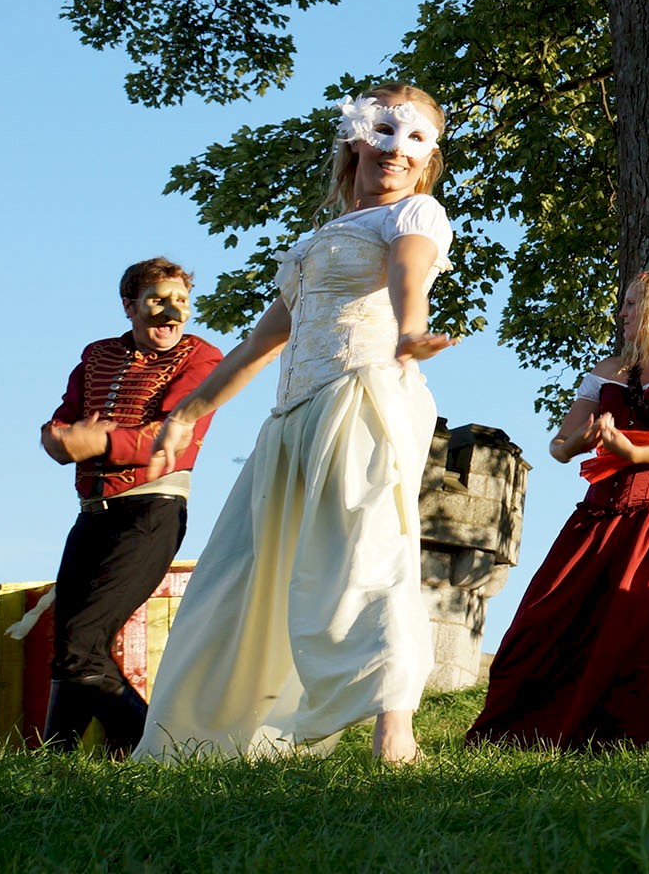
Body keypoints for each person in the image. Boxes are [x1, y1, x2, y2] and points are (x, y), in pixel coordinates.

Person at [134, 84, 457, 763]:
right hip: (291, 416)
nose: (395, 152)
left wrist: (412, 330)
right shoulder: (317, 240)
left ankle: (393, 734)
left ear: (426, 159)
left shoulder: (416, 216)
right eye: (383, 133)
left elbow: (410, 274)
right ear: (355, 141)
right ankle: (200, 738)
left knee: (366, 549)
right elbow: (260, 344)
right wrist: (188, 413)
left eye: (414, 140)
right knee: (239, 567)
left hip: (360, 396)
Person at [466, 270, 649, 748]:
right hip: (599, 513)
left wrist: (635, 454)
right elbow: (559, 446)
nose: (622, 314)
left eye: (631, 304)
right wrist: (580, 442)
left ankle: (637, 737)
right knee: (544, 616)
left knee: (643, 624)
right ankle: (530, 731)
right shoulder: (607, 370)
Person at [37, 257, 225, 755]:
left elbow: (171, 438)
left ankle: (158, 749)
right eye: (158, 300)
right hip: (92, 513)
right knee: (73, 647)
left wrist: (95, 440)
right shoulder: (96, 355)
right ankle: (56, 762)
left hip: (151, 509)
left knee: (80, 645)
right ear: (129, 306)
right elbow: (62, 421)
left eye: (181, 301)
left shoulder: (202, 358)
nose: (172, 312)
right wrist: (57, 441)